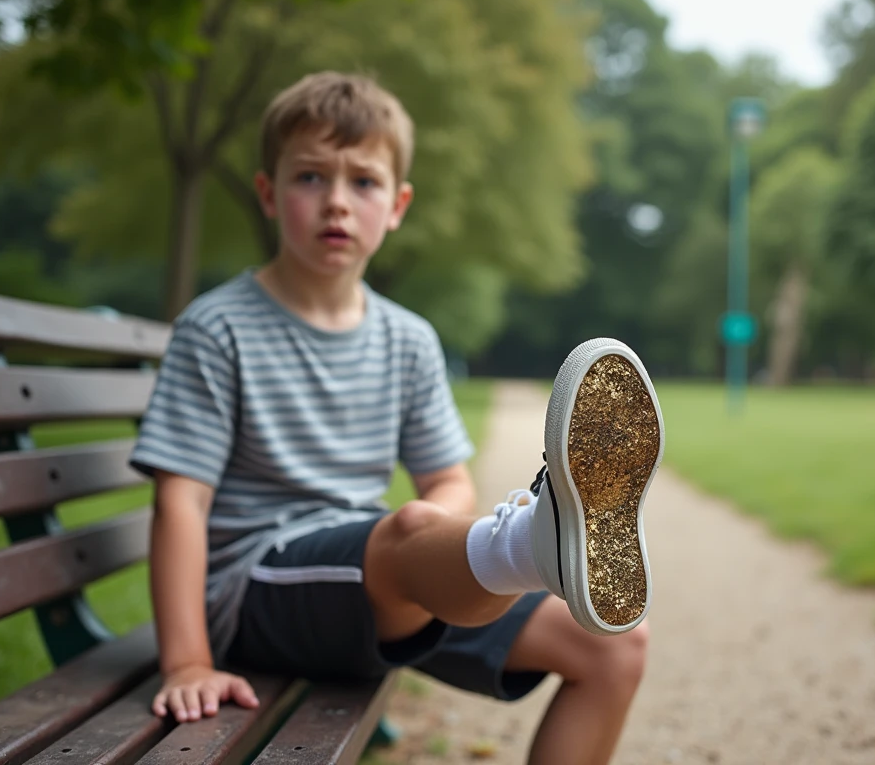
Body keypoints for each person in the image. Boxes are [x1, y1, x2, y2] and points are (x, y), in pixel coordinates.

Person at [130, 71, 664, 765]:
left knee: (614, 644)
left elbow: (448, 481)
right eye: (311, 177)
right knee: (405, 532)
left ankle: (529, 545)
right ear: (267, 193)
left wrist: (436, 545)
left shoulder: (407, 338)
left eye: (364, 183)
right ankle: (534, 541)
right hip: (256, 594)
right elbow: (180, 503)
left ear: (398, 205)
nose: (337, 204)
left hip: (376, 582)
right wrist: (187, 662)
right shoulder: (218, 329)